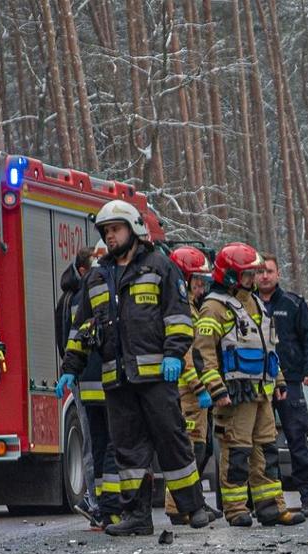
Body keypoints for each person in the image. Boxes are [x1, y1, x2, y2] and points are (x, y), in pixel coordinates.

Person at [57, 200, 219, 535]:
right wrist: (71, 366)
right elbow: (81, 328)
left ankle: (193, 507)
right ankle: (137, 516)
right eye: (106, 231)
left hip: (157, 376)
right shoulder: (97, 277)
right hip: (117, 378)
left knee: (173, 441)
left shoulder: (159, 267)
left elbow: (178, 317)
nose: (110, 236)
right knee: (128, 451)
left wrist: (175, 354)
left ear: (133, 229)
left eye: (115, 229)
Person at [193, 243, 304, 527]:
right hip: (235, 394)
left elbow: (268, 347)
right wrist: (216, 390)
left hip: (261, 392)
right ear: (230, 274)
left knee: (266, 451)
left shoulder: (254, 303)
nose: (254, 279)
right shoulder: (214, 307)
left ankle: (271, 507)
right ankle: (236, 509)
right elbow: (203, 354)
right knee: (237, 452)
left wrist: (278, 380)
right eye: (248, 274)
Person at [253, 257, 308, 516]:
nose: (264, 276)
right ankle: (264, 498)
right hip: (259, 381)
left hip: (290, 381)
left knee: (297, 438)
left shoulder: (293, 304)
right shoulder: (248, 304)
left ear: (278, 274)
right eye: (259, 272)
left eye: (269, 271)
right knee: (261, 442)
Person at [64, 246, 124, 529]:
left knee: (99, 445)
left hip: (90, 381)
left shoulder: (78, 294)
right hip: (107, 379)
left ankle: (102, 505)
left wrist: (70, 369)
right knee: (112, 444)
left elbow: (75, 335)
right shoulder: (110, 287)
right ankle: (108, 507)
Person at [165, 246, 213, 524]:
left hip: (193, 394)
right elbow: (186, 356)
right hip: (187, 394)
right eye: (197, 280)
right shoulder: (182, 309)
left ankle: (193, 501)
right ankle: (178, 506)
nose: (201, 285)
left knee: (198, 449)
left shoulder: (191, 307)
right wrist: (200, 388)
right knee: (188, 450)